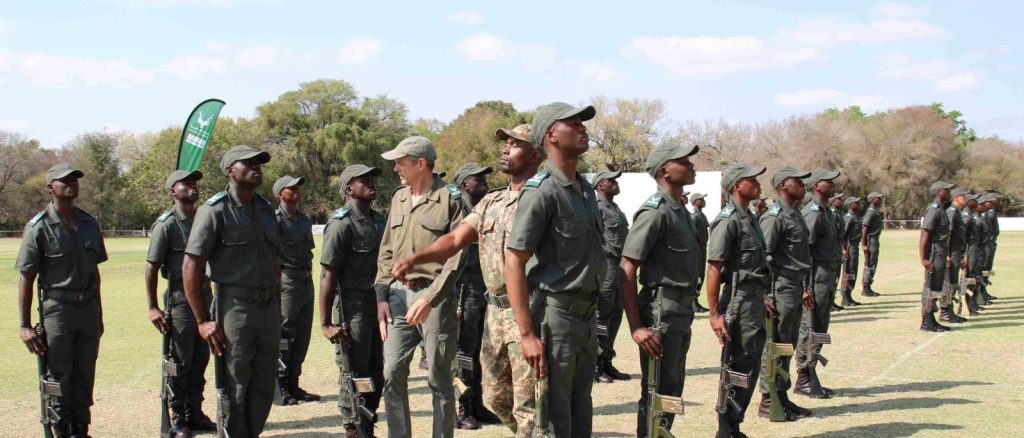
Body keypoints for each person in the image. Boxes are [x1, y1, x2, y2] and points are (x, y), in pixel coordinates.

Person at [391, 123, 544, 437]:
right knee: (494, 397)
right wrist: (416, 258)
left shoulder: (544, 197)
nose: (505, 149)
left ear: (536, 154)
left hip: (529, 309)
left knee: (532, 404)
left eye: (515, 144)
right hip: (496, 314)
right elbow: (454, 240)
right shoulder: (492, 201)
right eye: (505, 143)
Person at [504, 102, 605, 437]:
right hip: (555, 318)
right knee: (554, 419)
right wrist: (527, 334)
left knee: (581, 413)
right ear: (551, 136)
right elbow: (514, 261)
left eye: (582, 123)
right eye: (573, 123)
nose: (583, 128)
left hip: (586, 319)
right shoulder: (541, 191)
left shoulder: (586, 189)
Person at [182, 145, 281, 437]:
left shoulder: (264, 209)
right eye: (248, 163)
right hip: (234, 308)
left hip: (267, 309)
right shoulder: (214, 211)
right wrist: (202, 320)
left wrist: (277, 307)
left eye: (259, 163)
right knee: (236, 385)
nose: (257, 167)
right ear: (230, 171)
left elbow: (274, 263)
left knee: (263, 384)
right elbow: (191, 265)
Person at [375, 136, 466, 438]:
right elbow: (387, 249)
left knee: (439, 379)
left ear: (421, 163)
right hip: (398, 297)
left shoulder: (451, 198)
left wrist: (431, 298)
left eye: (401, 162)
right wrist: (382, 295)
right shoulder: (399, 197)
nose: (396, 169)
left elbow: (456, 257)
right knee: (392, 373)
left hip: (434, 299)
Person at [16, 164, 109, 437]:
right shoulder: (38, 227)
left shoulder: (89, 223)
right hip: (57, 310)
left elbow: (95, 272)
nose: (72, 183)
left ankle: (81, 428)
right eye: (65, 180)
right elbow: (26, 277)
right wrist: (24, 325)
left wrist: (99, 313)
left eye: (75, 179)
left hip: (88, 308)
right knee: (59, 374)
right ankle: (61, 428)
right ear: (50, 188)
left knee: (84, 373)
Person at [617, 143, 701, 436]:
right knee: (657, 386)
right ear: (665, 169)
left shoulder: (681, 210)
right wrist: (636, 327)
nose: (691, 165)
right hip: (661, 311)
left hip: (681, 309)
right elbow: (627, 269)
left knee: (672, 384)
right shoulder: (656, 211)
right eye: (684, 161)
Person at [145, 169, 215, 436]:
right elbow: (151, 267)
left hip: (206, 296)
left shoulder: (202, 220)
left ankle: (195, 412)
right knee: (181, 360)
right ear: (173, 191)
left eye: (195, 183)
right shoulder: (167, 224)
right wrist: (152, 306)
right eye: (185, 184)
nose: (192, 187)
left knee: (201, 358)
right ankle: (178, 417)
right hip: (180, 299)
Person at [319, 164, 386, 437]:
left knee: (377, 373)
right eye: (364, 180)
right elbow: (327, 276)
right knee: (354, 373)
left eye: (372, 179)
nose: (371, 183)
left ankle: (367, 423)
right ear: (349, 190)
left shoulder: (379, 221)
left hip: (379, 306)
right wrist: (325, 323)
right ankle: (353, 428)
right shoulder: (340, 224)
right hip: (353, 308)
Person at [705, 163, 769, 438]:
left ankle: (734, 425)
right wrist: (714, 313)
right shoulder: (728, 219)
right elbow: (714, 269)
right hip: (738, 301)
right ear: (736, 186)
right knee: (737, 364)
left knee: (751, 363)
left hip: (753, 299)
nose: (757, 183)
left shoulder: (751, 217)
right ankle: (726, 428)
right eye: (751, 180)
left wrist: (763, 297)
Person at [756, 167, 814, 421]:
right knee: (776, 344)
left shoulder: (795, 213)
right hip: (780, 288)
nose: (803, 185)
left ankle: (781, 395)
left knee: (786, 344)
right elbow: (763, 255)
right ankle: (769, 399)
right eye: (797, 181)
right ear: (782, 185)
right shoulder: (774, 215)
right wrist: (765, 294)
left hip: (793, 286)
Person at [448, 162, 503, 429]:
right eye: (478, 179)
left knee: (482, 352)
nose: (485, 182)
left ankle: (478, 405)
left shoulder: (485, 208)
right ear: (464, 184)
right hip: (463, 293)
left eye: (485, 178)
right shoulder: (457, 211)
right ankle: (463, 409)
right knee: (464, 354)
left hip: (484, 290)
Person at [272, 175, 320, 405]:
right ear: (281, 194)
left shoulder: (303, 220)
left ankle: (294, 383)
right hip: (286, 280)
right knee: (285, 332)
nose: (298, 191)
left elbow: (308, 250)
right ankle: (280, 386)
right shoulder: (274, 220)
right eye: (292, 189)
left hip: (305, 279)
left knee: (302, 333)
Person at [794, 169, 841, 399]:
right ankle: (804, 376)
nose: (833, 184)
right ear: (816, 186)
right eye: (828, 181)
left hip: (827, 276)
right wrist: (806, 287)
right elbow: (805, 252)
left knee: (820, 325)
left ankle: (810, 373)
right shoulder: (812, 213)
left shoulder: (827, 212)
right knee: (810, 326)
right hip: (817, 277)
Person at [593, 169, 632, 384]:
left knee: (616, 313)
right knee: (603, 314)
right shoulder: (597, 208)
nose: (615, 183)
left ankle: (607, 360)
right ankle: (595, 365)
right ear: (600, 186)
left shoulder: (615, 209)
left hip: (619, 267)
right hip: (606, 266)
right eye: (611, 180)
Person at [918, 181, 954, 332]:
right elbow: (925, 234)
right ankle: (926, 321)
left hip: (940, 251)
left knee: (936, 287)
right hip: (934, 252)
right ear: (940, 192)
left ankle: (932, 319)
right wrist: (924, 258)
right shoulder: (933, 210)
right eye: (946, 189)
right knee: (930, 286)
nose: (949, 191)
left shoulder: (941, 209)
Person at [940, 188, 971, 324]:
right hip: (951, 252)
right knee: (949, 282)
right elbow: (948, 234)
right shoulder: (952, 213)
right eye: (963, 196)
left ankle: (949, 311)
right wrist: (946, 255)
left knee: (952, 282)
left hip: (957, 252)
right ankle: (945, 312)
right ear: (957, 198)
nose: (966, 199)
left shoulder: (957, 213)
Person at [860, 193, 885, 297]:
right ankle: (866, 288)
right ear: (872, 200)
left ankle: (868, 286)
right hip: (871, 241)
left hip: (875, 240)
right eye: (878, 198)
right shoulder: (870, 213)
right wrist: (864, 244)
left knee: (873, 264)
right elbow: (865, 229)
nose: (880, 199)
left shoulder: (875, 212)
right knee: (870, 264)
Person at [840, 197, 864, 307]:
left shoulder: (855, 217)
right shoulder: (848, 218)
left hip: (854, 246)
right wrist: (844, 249)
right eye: (856, 203)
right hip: (850, 247)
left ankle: (849, 296)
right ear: (850, 205)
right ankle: (845, 297)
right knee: (848, 271)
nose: (859, 205)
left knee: (853, 271)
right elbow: (842, 236)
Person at [690, 193, 711, 313]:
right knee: (696, 275)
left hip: (702, 248)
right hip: (697, 249)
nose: (703, 201)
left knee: (700, 276)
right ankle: (692, 303)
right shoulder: (694, 216)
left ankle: (696, 302)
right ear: (694, 202)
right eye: (701, 199)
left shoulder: (701, 215)